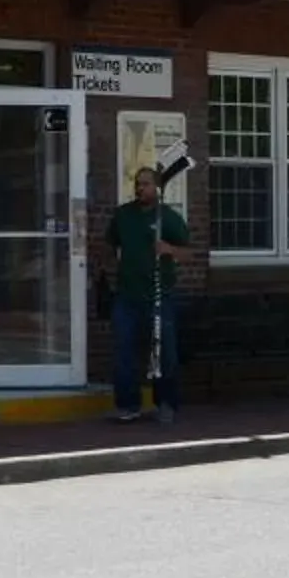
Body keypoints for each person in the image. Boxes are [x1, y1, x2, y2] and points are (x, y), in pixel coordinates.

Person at [107, 164, 189, 422]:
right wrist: (112, 273)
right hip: (127, 295)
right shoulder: (123, 215)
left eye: (145, 184)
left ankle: (166, 403)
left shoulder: (167, 217)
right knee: (124, 351)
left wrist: (168, 250)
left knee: (164, 352)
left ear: (157, 188)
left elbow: (188, 253)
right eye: (137, 183)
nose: (139, 188)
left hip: (158, 295)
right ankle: (128, 405)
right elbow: (109, 246)